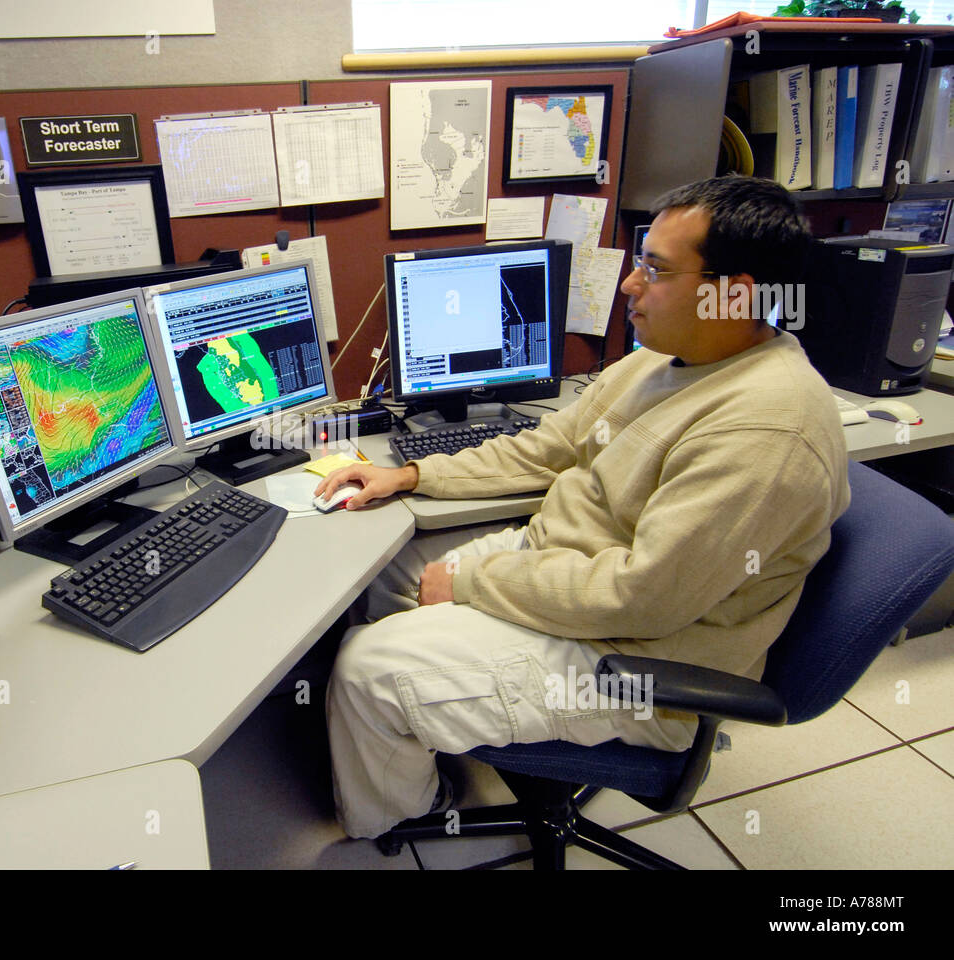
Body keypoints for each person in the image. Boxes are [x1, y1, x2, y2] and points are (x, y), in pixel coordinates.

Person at [316, 175, 850, 840]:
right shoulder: (665, 360)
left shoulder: (767, 429)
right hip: (566, 574)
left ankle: (400, 816)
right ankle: (418, 729)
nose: (629, 285)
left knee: (369, 672)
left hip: (638, 661)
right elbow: (546, 450)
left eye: (654, 269)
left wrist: (477, 583)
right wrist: (412, 473)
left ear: (732, 293)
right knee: (385, 574)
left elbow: (643, 598)